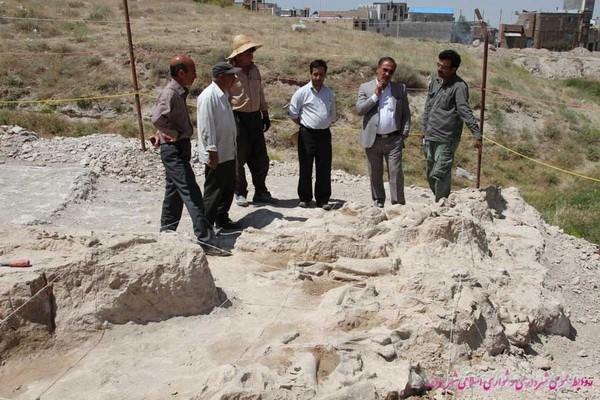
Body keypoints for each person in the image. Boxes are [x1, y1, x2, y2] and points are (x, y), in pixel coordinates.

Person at [151, 55, 228, 257]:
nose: (195, 75)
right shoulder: (170, 93)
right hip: (173, 150)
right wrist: (172, 134)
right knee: (192, 193)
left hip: (177, 149)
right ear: (182, 72)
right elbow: (158, 118)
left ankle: (166, 234)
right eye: (192, 71)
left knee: (173, 193)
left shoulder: (178, 92)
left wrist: (167, 133)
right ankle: (207, 241)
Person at [422, 49, 482, 202]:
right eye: (438, 65)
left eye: (444, 67)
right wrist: (424, 128)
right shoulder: (435, 81)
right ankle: (439, 200)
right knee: (430, 173)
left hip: (446, 138)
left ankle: (441, 204)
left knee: (440, 173)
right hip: (430, 135)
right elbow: (428, 106)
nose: (439, 69)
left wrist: (476, 134)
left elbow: (464, 110)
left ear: (454, 69)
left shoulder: (459, 86)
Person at [227, 34, 275, 206]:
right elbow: (225, 97)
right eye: (248, 52)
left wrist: (265, 114)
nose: (252, 55)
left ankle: (261, 191)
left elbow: (260, 92)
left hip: (255, 117)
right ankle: (240, 192)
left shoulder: (255, 70)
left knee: (261, 157)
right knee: (239, 157)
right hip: (238, 118)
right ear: (238, 55)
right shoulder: (229, 73)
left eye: (252, 51)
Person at [356, 57, 411, 208]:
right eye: (384, 70)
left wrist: (404, 132)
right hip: (372, 139)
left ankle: (397, 203)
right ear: (378, 69)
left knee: (395, 172)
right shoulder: (365, 87)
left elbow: (406, 113)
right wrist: (375, 95)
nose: (387, 74)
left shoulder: (400, 89)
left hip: (393, 139)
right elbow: (360, 109)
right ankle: (378, 200)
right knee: (375, 172)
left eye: (390, 71)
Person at [197, 62, 242, 232]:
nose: (235, 78)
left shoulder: (224, 94)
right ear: (221, 77)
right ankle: (205, 229)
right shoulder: (209, 96)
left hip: (227, 150)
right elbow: (206, 126)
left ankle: (222, 218)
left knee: (228, 187)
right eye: (232, 75)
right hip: (216, 153)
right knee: (213, 192)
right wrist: (211, 150)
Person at [288, 59, 336, 210]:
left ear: (325, 75)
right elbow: (293, 113)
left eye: (321, 74)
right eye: (315, 74)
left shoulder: (329, 94)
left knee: (324, 166)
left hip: (324, 134)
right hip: (306, 134)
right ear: (310, 74)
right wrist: (305, 125)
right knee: (305, 166)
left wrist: (324, 123)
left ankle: (323, 199)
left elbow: (333, 115)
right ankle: (305, 197)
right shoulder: (301, 93)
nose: (318, 77)